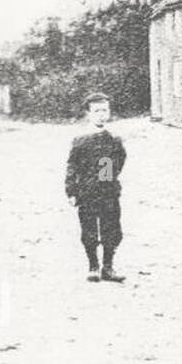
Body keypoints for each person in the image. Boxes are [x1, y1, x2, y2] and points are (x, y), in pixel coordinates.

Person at [64, 92, 128, 282]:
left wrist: (109, 179)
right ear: (88, 113)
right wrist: (71, 190)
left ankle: (108, 267)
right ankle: (93, 266)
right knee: (89, 229)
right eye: (97, 111)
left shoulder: (113, 139)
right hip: (87, 192)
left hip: (108, 191)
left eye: (105, 110)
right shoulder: (80, 139)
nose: (102, 114)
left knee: (112, 228)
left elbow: (120, 161)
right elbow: (72, 166)